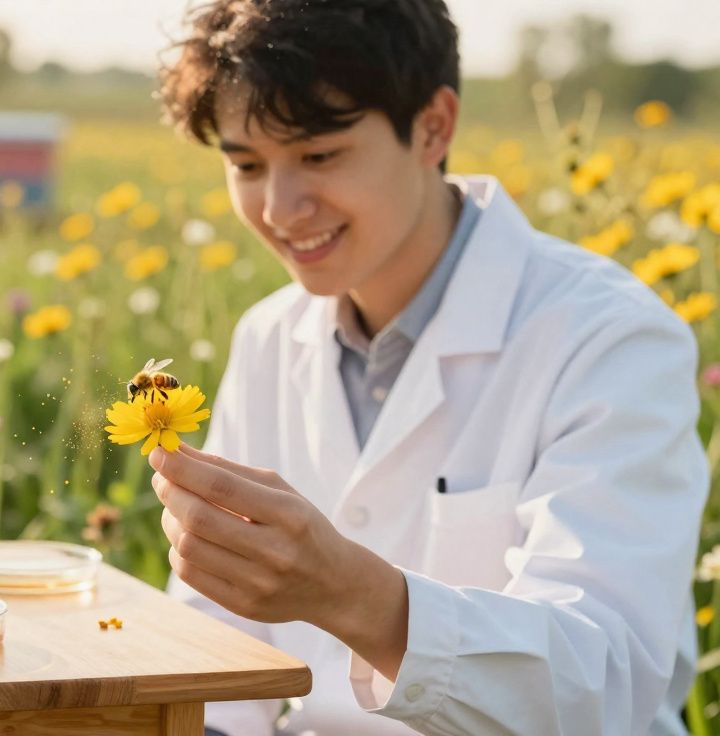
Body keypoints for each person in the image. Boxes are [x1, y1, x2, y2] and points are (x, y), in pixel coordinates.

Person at [151, 1, 708, 734]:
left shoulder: (607, 337)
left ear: (434, 127)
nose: (281, 208)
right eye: (246, 165)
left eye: (320, 156)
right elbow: (221, 660)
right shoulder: (268, 337)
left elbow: (604, 683)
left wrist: (355, 595)